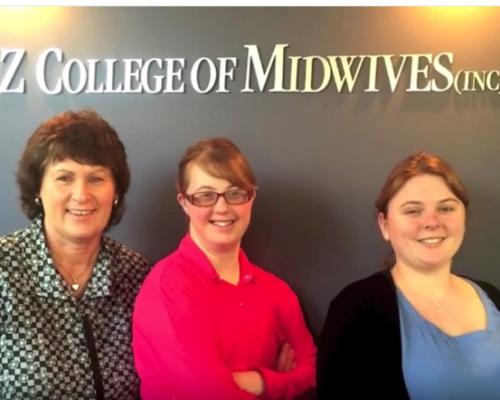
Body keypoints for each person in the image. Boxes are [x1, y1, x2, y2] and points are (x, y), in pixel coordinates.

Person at [133, 137, 316, 400]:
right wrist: (283, 382)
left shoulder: (276, 291)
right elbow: (209, 394)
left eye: (235, 193)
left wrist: (260, 382)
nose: (222, 207)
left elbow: (313, 371)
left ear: (251, 198)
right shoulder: (168, 286)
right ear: (184, 202)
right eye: (205, 196)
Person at [317, 151, 500, 399]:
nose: (432, 222)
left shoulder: (492, 296)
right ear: (384, 225)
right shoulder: (355, 308)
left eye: (446, 208)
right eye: (413, 211)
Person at [0, 110, 149, 399]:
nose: (81, 194)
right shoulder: (4, 267)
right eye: (64, 177)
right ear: (38, 189)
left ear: (115, 192)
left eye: (96, 178)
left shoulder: (136, 274)